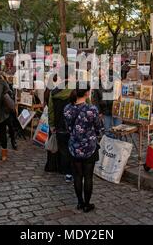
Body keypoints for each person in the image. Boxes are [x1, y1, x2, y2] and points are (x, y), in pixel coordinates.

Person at [64, 83, 101, 213]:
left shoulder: (68, 108)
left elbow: (68, 127)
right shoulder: (92, 109)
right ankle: (87, 204)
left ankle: (80, 202)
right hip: (89, 147)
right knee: (88, 177)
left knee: (77, 176)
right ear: (87, 93)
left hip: (74, 146)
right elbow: (98, 127)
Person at [48, 66, 74, 183]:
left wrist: (52, 124)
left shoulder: (54, 92)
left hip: (59, 125)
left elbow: (51, 111)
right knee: (73, 148)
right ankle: (73, 171)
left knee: (63, 149)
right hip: (74, 126)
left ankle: (65, 171)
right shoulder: (75, 90)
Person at [92, 69, 121, 138]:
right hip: (105, 110)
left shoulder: (114, 81)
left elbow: (119, 93)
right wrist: (99, 112)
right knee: (107, 130)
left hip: (115, 108)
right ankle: (111, 144)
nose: (103, 76)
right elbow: (96, 100)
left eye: (104, 74)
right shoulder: (97, 84)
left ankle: (118, 144)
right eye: (100, 75)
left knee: (118, 129)